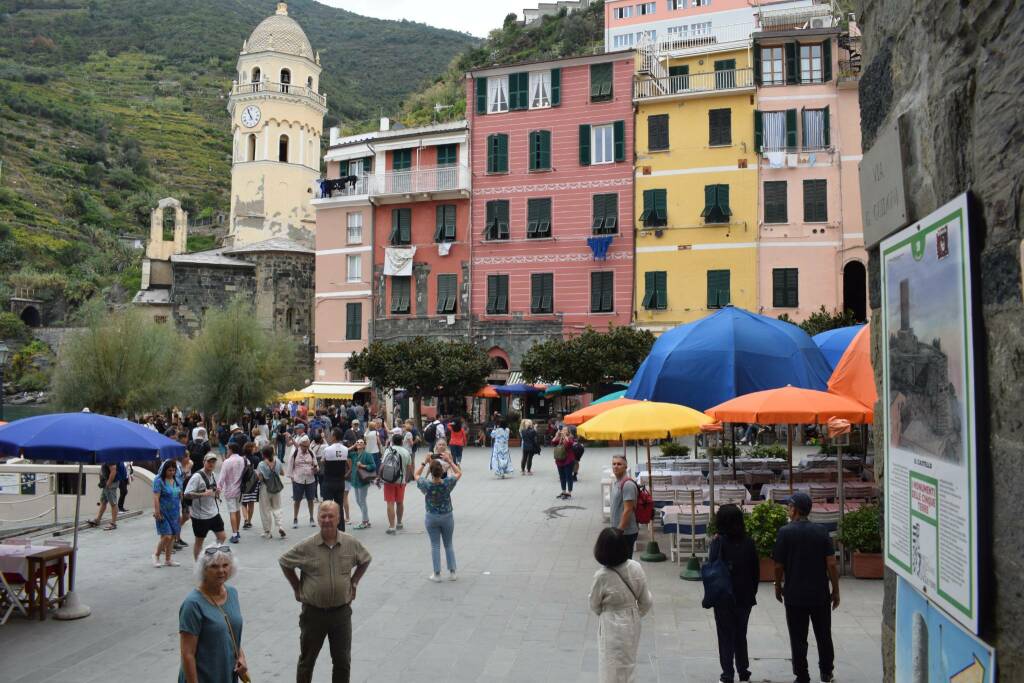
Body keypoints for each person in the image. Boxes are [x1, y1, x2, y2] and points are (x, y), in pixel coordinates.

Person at [279, 502, 371, 683]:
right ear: (318, 517)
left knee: (342, 661)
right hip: (313, 614)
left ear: (339, 518)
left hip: (341, 613)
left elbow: (365, 559)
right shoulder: (307, 545)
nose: (327, 520)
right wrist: (297, 587)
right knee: (307, 660)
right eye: (323, 516)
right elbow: (284, 562)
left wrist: (354, 582)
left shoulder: (350, 543)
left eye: (331, 516)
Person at [773, 492, 840, 683]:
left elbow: (778, 566)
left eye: (789, 506)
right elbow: (831, 564)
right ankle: (826, 672)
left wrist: (778, 586)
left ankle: (802, 675)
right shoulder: (821, 531)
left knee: (798, 637)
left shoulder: (785, 532)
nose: (788, 509)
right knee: (824, 635)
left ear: (794, 509)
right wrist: (835, 589)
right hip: (820, 594)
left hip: (795, 594)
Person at [589, 527, 653, 683]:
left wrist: (605, 612)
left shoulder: (602, 576)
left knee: (609, 665)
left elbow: (594, 603)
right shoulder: (635, 567)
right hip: (632, 620)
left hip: (610, 622)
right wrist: (635, 613)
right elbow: (646, 600)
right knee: (629, 662)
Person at [179, 546, 247, 683]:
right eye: (214, 566)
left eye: (225, 565)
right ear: (203, 570)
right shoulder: (192, 604)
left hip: (228, 673)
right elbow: (187, 654)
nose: (221, 570)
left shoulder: (232, 593)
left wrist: (241, 657)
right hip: (204, 677)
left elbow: (231, 632)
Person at [710, 504, 760, 683]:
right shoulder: (748, 542)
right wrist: (751, 591)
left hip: (724, 597)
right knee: (741, 634)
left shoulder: (718, 543)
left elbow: (712, 567)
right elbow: (755, 571)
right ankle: (744, 671)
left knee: (725, 635)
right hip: (744, 596)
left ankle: (727, 674)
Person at [414, 450, 462, 582]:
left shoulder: (426, 484)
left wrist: (425, 461)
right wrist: (450, 461)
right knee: (448, 544)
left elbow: (416, 474)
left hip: (431, 517)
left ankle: (437, 574)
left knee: (435, 545)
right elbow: (459, 473)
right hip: (447, 515)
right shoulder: (447, 483)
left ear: (432, 471)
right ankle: (452, 572)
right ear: (442, 472)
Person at [185, 453, 228, 561]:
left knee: (222, 537)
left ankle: (210, 554)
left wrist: (217, 492)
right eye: (209, 461)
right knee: (199, 541)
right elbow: (186, 494)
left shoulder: (213, 474)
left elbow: (213, 492)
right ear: (204, 462)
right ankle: (198, 564)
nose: (211, 464)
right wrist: (202, 494)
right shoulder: (196, 477)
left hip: (213, 513)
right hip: (200, 517)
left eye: (213, 462)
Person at [153, 460, 183, 568]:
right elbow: (156, 497)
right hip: (163, 512)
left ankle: (168, 559)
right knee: (166, 536)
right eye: (169, 470)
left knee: (173, 536)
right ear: (164, 470)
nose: (172, 472)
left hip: (174, 513)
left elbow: (179, 496)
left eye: (174, 470)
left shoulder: (176, 481)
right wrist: (157, 512)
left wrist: (182, 511)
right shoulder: (159, 481)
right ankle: (156, 555)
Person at [383, 432, 413, 535]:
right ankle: (399, 522)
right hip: (401, 481)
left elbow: (383, 465)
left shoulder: (388, 450)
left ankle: (392, 526)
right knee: (400, 502)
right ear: (402, 442)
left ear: (392, 441)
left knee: (390, 503)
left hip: (389, 480)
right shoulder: (406, 452)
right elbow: (409, 467)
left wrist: (379, 476)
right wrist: (407, 478)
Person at [609, 454, 639, 559]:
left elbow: (628, 510)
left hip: (626, 532)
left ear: (626, 467)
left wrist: (619, 531)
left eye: (619, 464)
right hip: (617, 530)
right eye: (614, 464)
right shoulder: (617, 482)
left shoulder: (627, 485)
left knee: (624, 563)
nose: (616, 466)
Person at [320, 428, 349, 531]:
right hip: (340, 481)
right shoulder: (345, 449)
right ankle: (341, 528)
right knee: (339, 505)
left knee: (327, 506)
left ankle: (328, 527)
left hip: (329, 480)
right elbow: (347, 464)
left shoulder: (327, 449)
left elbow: (323, 461)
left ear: (334, 436)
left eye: (331, 435)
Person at [256, 444, 287, 540]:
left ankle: (268, 532)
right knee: (277, 507)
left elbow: (260, 478)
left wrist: (257, 475)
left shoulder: (261, 464)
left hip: (265, 488)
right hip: (276, 487)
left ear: (263, 454)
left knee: (265, 510)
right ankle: (280, 526)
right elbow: (282, 473)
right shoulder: (277, 461)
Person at [219, 442, 246, 544]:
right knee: (237, 510)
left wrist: (218, 488)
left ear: (230, 450)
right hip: (240, 489)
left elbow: (222, 477)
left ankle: (234, 534)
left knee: (232, 512)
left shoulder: (227, 462)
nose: (227, 451)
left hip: (230, 489)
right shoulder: (243, 460)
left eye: (227, 449)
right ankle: (237, 531)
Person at [290, 435, 319, 529]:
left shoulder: (311, 452)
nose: (306, 448)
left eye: (307, 446)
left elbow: (317, 466)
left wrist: (315, 468)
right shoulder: (295, 453)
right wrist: (292, 478)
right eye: (304, 446)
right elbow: (290, 466)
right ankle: (295, 518)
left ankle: (311, 518)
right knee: (297, 500)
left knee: (310, 499)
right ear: (300, 445)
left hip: (310, 479)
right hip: (298, 480)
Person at [349, 438, 376, 529]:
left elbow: (373, 466)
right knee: (358, 500)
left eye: (361, 443)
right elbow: (345, 452)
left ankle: (365, 521)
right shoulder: (354, 454)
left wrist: (363, 466)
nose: (359, 444)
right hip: (355, 481)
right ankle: (366, 519)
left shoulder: (367, 455)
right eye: (357, 442)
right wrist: (353, 446)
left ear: (364, 445)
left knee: (362, 501)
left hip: (363, 481)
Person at [88, 459, 120, 530]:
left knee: (113, 503)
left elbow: (113, 471)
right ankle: (98, 520)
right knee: (103, 501)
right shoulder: (107, 456)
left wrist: (108, 484)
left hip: (110, 484)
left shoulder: (110, 457)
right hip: (106, 484)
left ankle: (113, 524)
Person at [239, 443, 261, 530]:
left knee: (244, 502)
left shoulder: (242, 459)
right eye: (254, 447)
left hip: (245, 482)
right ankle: (249, 521)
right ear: (251, 449)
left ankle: (245, 519)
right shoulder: (257, 458)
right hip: (254, 482)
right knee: (251, 502)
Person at [552, 426, 578, 499]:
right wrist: (557, 435)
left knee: (568, 477)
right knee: (562, 477)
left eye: (565, 430)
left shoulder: (570, 437)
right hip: (559, 460)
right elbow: (553, 442)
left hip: (568, 460)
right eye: (562, 430)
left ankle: (569, 493)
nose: (563, 431)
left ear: (568, 431)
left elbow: (569, 443)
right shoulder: (560, 437)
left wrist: (565, 436)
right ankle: (563, 491)